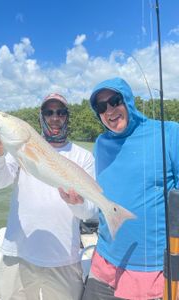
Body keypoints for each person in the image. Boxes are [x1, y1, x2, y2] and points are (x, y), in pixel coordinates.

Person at [0, 93, 98, 300]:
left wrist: (77, 203)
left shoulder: (84, 156)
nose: (55, 117)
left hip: (64, 258)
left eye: (60, 112)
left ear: (67, 117)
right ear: (41, 117)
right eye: (49, 112)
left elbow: (88, 212)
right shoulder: (17, 148)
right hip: (19, 253)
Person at [76, 77, 179, 300]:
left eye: (115, 100)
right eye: (101, 107)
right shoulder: (101, 144)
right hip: (103, 262)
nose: (110, 110)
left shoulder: (170, 133)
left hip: (151, 271)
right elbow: (99, 196)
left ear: (128, 100)